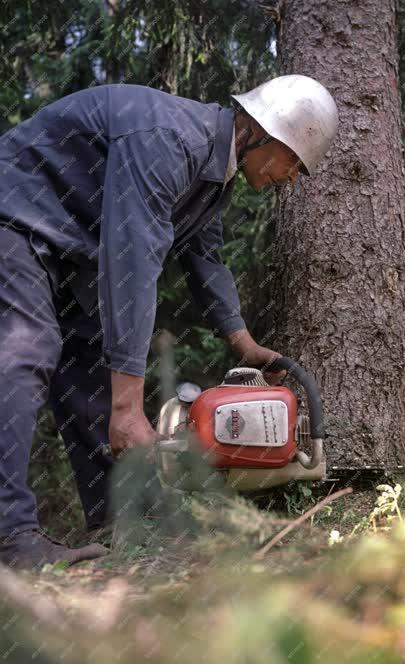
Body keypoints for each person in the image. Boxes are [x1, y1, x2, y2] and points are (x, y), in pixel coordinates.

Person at [0, 75, 338, 568]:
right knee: (25, 351)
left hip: (65, 247)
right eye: (294, 164)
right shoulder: (170, 141)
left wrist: (242, 343)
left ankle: (122, 525)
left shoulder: (212, 181)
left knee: (89, 372)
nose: (291, 180)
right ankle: (10, 537)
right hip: (14, 215)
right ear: (267, 132)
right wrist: (128, 409)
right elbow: (132, 261)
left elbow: (207, 261)